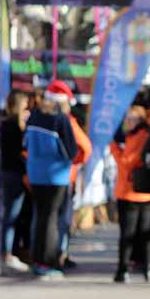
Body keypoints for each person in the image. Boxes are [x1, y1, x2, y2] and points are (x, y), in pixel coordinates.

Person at [25, 81, 79, 279]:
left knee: (40, 218)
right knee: (51, 220)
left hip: (35, 174)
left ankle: (38, 259)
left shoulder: (34, 117)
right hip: (56, 176)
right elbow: (71, 151)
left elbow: (26, 144)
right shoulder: (61, 120)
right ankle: (47, 262)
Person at [110, 105, 150, 283]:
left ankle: (125, 269)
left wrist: (113, 146)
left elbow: (126, 162)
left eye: (131, 119)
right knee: (142, 234)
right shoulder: (140, 135)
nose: (127, 122)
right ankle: (143, 268)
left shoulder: (141, 137)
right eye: (126, 119)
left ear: (140, 120)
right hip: (141, 192)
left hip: (133, 192)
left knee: (131, 234)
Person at [0, 91, 31, 274]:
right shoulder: (13, 126)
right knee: (11, 214)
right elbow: (18, 152)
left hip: (10, 172)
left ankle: (8, 251)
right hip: (14, 173)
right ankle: (7, 253)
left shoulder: (6, 123)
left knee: (11, 214)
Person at [57, 104, 93, 271]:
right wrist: (75, 160)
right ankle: (60, 254)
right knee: (62, 218)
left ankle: (50, 255)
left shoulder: (38, 119)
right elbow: (86, 148)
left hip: (37, 178)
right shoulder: (69, 122)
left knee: (45, 219)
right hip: (64, 176)